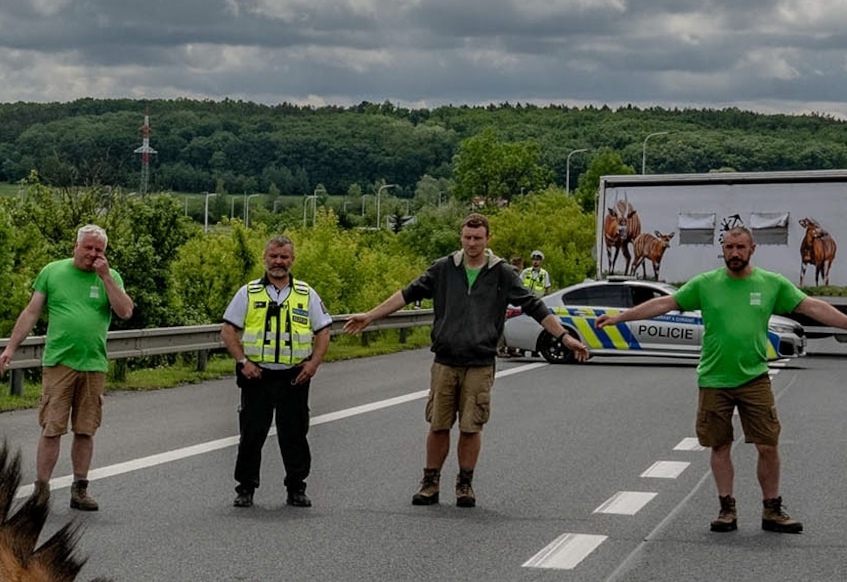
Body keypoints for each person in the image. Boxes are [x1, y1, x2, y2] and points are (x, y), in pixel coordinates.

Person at [596, 221, 847, 534]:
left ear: (752, 249)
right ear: (723, 251)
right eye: (729, 248)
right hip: (714, 379)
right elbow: (664, 303)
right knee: (719, 446)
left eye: (740, 247)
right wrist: (619, 318)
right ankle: (726, 509)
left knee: (768, 445)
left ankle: (772, 509)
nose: (734, 253)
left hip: (754, 378)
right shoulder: (705, 283)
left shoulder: (771, 283)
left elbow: (812, 306)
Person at [344, 210, 588, 508]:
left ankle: (464, 483)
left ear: (488, 239)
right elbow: (406, 294)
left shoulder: (502, 273)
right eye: (467, 237)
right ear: (461, 237)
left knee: (472, 426)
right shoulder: (444, 268)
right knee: (438, 423)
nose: (472, 243)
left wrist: (564, 337)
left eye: (478, 238)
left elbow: (535, 307)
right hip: (445, 360)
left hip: (480, 362)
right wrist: (370, 316)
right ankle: (430, 482)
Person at [0, 224, 133, 510]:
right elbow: (31, 311)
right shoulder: (53, 272)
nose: (93, 254)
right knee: (52, 427)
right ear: (76, 246)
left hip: (93, 363)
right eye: (89, 248)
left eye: (99, 250)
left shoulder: (110, 276)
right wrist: (11, 348)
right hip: (59, 362)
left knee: (86, 429)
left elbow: (125, 311)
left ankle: (80, 489)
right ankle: (41, 490)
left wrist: (106, 277)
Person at [219, 234, 332, 508]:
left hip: (294, 376)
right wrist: (243, 362)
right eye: (273, 256)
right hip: (257, 376)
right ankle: (245, 488)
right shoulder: (248, 293)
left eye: (284, 257)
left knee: (294, 435)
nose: (278, 262)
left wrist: (313, 363)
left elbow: (324, 330)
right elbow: (228, 330)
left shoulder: (306, 293)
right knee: (252, 434)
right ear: (264, 258)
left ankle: (296, 488)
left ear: (292, 260)